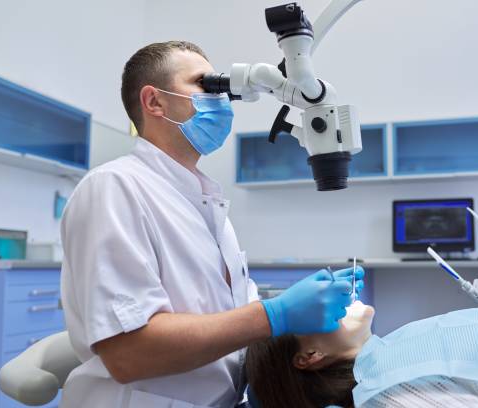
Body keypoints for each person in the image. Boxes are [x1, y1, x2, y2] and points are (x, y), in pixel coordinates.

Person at [59, 40, 364, 408]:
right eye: (206, 85)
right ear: (155, 101)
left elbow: (226, 319)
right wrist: (275, 315)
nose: (221, 99)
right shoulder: (114, 188)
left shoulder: (204, 202)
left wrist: (296, 308)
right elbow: (129, 354)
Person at [245, 302, 478, 408]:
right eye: (310, 307)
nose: (329, 295)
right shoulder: (392, 395)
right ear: (310, 355)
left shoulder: (388, 360)